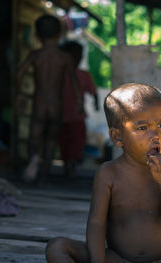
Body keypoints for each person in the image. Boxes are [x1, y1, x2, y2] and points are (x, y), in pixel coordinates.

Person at [45, 83, 161, 263]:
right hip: (118, 261)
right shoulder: (109, 173)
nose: (155, 135)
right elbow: (96, 223)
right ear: (117, 137)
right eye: (143, 128)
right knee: (57, 247)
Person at [16, 15, 82, 183]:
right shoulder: (65, 57)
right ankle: (44, 173)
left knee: (34, 136)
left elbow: (19, 73)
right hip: (56, 105)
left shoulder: (35, 55)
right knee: (52, 140)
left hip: (39, 103)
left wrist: (20, 94)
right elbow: (74, 81)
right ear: (60, 34)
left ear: (37, 36)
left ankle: (33, 160)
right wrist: (79, 102)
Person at [59, 41, 99, 178]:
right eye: (74, 56)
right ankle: (68, 163)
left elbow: (93, 91)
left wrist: (97, 102)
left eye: (79, 56)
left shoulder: (84, 75)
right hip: (61, 115)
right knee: (64, 141)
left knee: (77, 140)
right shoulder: (59, 74)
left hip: (76, 115)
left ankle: (71, 162)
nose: (77, 59)